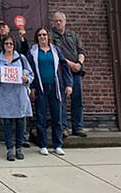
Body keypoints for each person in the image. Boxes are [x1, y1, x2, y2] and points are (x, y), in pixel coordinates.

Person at [27, 28, 72, 156]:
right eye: (40, 35)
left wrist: (68, 84)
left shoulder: (56, 50)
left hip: (55, 87)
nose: (42, 37)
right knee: (41, 117)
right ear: (37, 37)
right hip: (40, 88)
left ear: (48, 36)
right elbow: (29, 69)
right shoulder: (33, 51)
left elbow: (64, 66)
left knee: (57, 117)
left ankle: (58, 145)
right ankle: (43, 145)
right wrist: (32, 87)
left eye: (44, 35)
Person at [0, 20, 29, 147]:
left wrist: (22, 38)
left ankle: (22, 139)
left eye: (4, 27)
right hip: (5, 87)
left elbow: (25, 55)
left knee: (21, 115)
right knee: (6, 116)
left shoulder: (19, 50)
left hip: (18, 89)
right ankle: (9, 142)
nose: (2, 29)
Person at [0, 35, 34, 161]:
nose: (9, 46)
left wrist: (27, 79)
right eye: (6, 43)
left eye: (11, 43)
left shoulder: (21, 58)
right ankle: (9, 149)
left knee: (20, 122)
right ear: (3, 45)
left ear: (14, 45)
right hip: (6, 95)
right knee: (7, 123)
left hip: (19, 94)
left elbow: (30, 73)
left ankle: (19, 148)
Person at [51, 12, 87, 137]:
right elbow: (56, 55)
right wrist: (72, 65)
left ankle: (78, 127)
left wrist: (79, 63)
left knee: (77, 99)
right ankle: (63, 127)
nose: (58, 23)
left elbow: (81, 51)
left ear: (65, 21)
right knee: (62, 100)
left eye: (60, 20)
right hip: (62, 72)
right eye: (56, 21)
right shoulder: (51, 37)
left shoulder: (73, 35)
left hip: (76, 72)